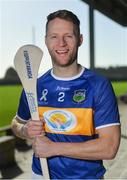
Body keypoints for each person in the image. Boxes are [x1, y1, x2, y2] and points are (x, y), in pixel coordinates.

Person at [11, 9, 121, 179]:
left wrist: (54, 148)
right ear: (46, 41)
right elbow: (17, 122)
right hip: (41, 175)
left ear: (80, 40)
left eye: (68, 36)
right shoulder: (35, 85)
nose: (61, 43)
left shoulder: (98, 85)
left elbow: (109, 147)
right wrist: (25, 130)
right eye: (54, 36)